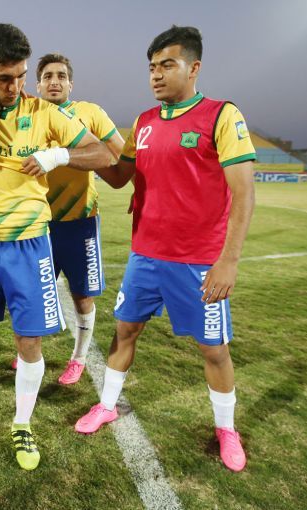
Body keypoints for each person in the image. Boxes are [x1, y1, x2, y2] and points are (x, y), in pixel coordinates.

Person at [0, 24, 113, 471]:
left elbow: (105, 154)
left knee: (28, 341)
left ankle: (22, 423)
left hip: (31, 248)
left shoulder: (45, 113)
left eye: (20, 76)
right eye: (3, 78)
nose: (14, 87)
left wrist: (60, 155)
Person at [73, 25, 255, 473]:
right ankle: (107, 405)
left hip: (199, 262)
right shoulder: (144, 122)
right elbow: (120, 176)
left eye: (167, 65)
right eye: (152, 67)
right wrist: (75, 152)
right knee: (124, 332)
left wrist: (228, 261)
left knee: (214, 350)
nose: (156, 74)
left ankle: (226, 429)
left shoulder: (221, 115)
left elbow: (244, 192)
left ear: (193, 68)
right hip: (145, 256)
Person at [13, 53, 125, 384]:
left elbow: (122, 155)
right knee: (33, 293)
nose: (54, 81)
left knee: (82, 295)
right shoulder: (27, 115)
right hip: (36, 223)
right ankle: (29, 352)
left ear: (70, 84)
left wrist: (141, 188)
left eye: (61, 76)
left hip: (80, 222)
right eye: (47, 76)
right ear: (38, 85)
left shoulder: (90, 113)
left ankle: (79, 358)